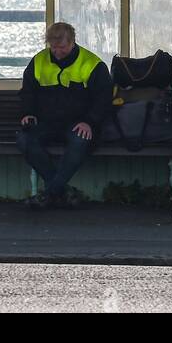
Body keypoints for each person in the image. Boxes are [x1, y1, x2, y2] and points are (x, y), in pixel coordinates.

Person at [16, 22, 113, 209]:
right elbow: (28, 91)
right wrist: (27, 113)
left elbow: (103, 98)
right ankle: (62, 191)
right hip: (46, 122)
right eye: (53, 47)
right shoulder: (38, 61)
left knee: (80, 140)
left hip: (79, 123)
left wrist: (90, 122)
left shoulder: (92, 64)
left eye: (61, 48)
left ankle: (49, 193)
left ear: (72, 42)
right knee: (24, 139)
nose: (57, 52)